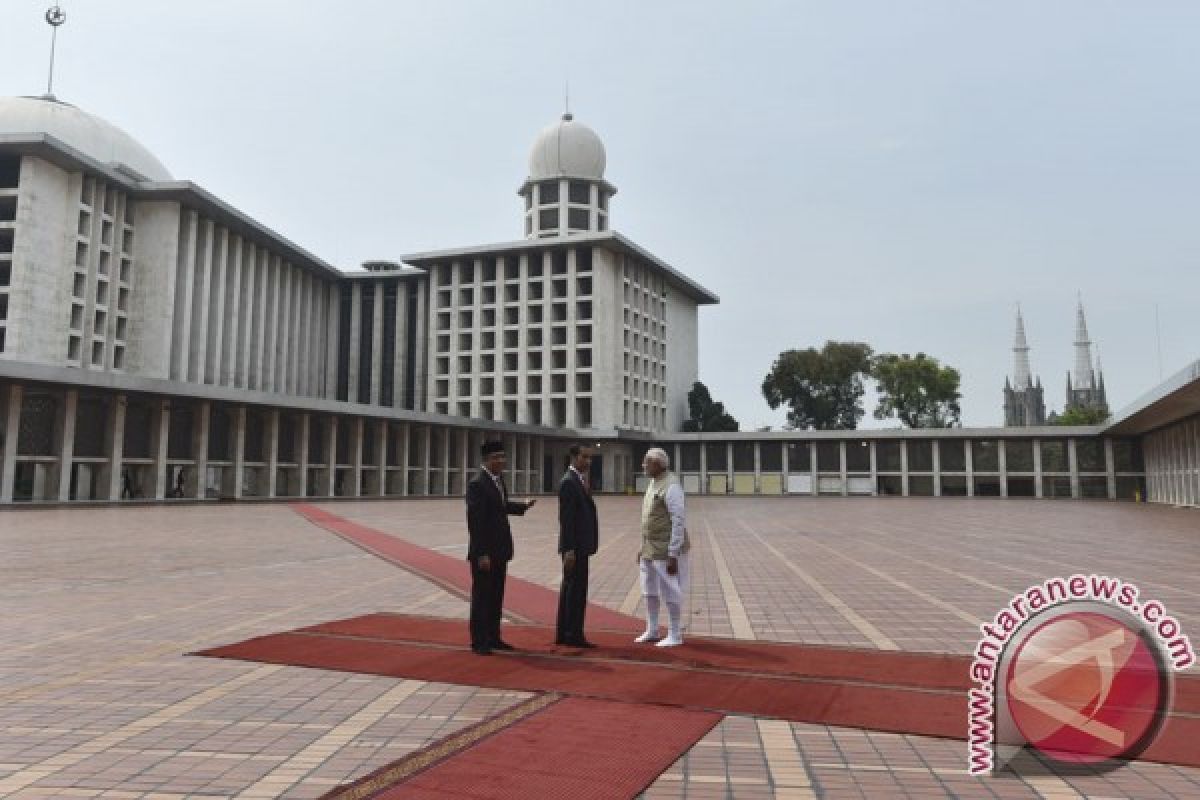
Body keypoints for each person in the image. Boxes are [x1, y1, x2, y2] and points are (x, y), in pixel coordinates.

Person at [465, 440, 536, 655]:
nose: (501, 461)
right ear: (486, 460)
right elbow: (475, 522)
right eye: (497, 457)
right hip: (485, 552)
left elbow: (501, 506)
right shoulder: (477, 483)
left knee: (496, 595)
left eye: (503, 457)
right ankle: (479, 641)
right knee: (482, 597)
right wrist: (482, 553)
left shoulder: (497, 480)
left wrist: (522, 506)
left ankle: (494, 637)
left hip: (501, 549)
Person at [635, 447, 690, 647]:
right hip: (650, 547)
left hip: (666, 549)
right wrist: (642, 546)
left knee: (670, 589)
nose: (643, 465)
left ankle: (675, 633)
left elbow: (678, 520)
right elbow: (648, 517)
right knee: (648, 589)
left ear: (658, 464)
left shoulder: (672, 485)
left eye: (646, 462)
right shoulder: (653, 483)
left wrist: (673, 553)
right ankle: (652, 629)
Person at [556, 444, 598, 647]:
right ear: (573, 457)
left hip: (580, 547)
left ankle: (567, 633)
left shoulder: (579, 480)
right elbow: (567, 520)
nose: (588, 462)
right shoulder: (569, 482)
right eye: (584, 457)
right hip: (574, 548)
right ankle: (572, 634)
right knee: (574, 592)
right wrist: (569, 550)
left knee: (574, 591)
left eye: (590, 458)